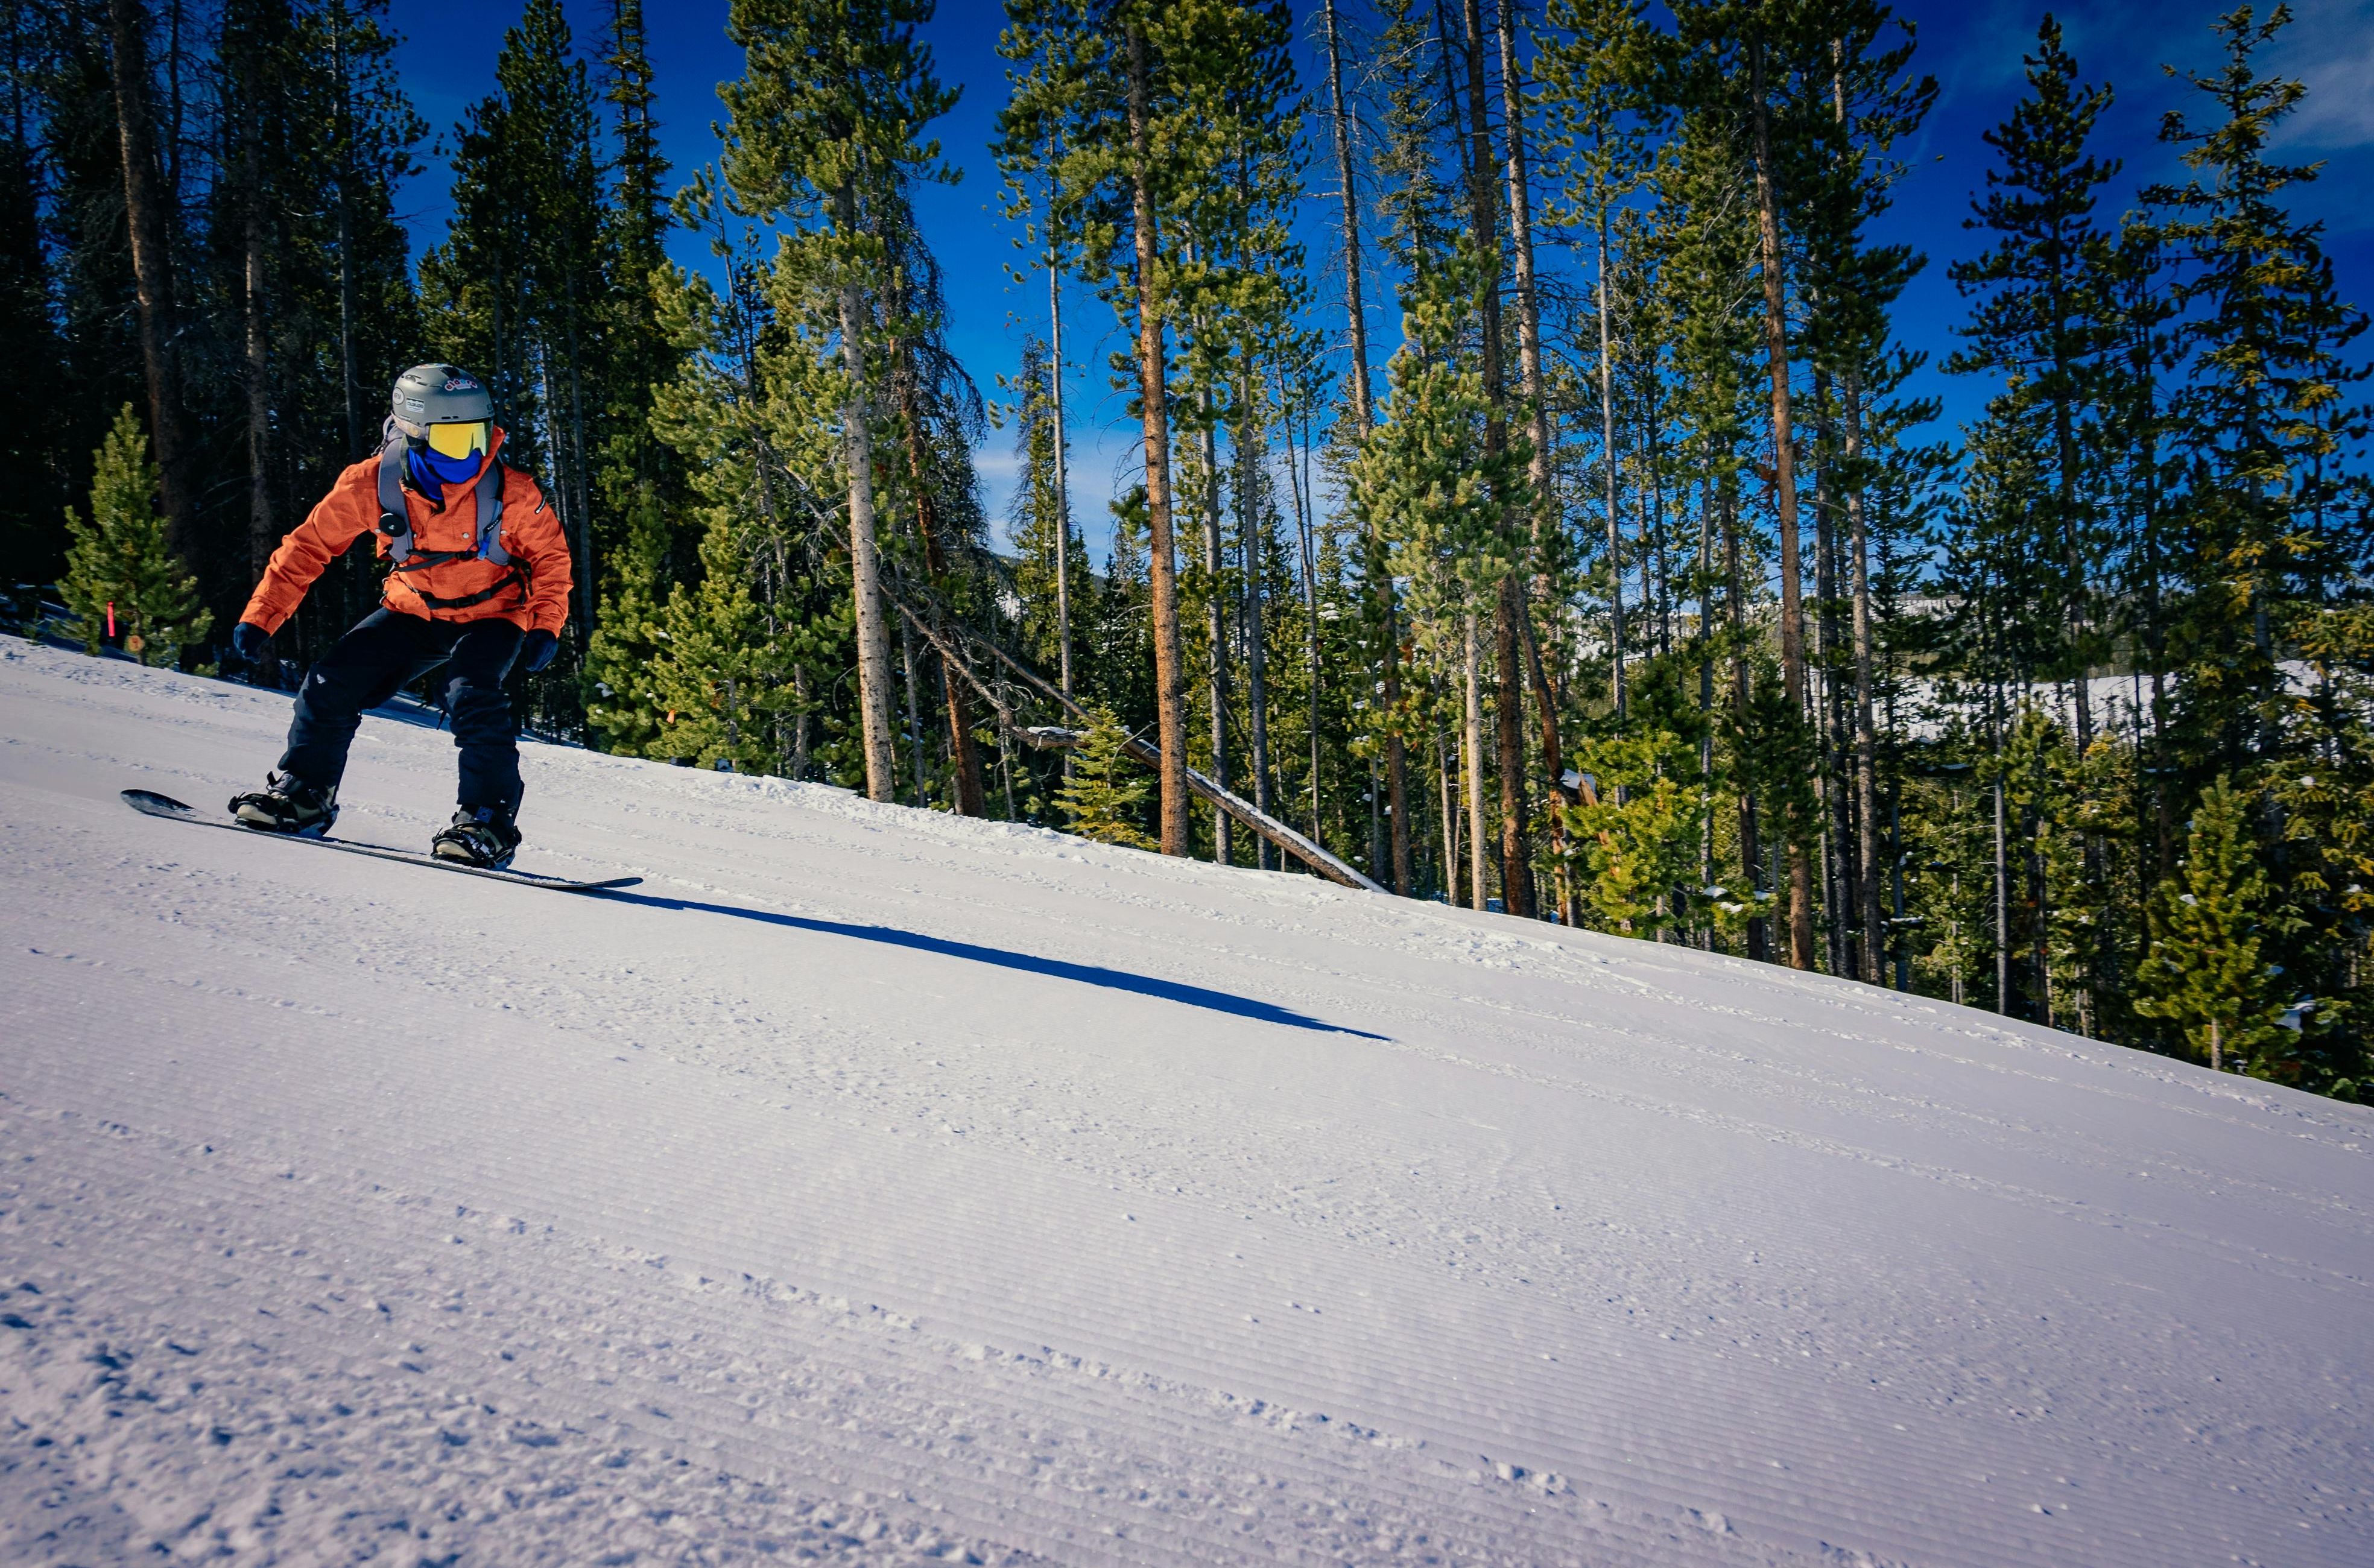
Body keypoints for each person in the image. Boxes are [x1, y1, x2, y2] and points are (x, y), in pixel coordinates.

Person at [226, 364, 573, 868]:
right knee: (331, 680)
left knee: (470, 692)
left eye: (479, 438)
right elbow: (308, 547)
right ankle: (304, 795)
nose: (474, 455)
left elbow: (551, 558)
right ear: (415, 434)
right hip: (413, 607)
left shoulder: (511, 491)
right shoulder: (370, 484)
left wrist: (546, 624)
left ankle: (486, 822)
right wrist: (262, 615)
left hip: (494, 612)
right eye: (456, 442)